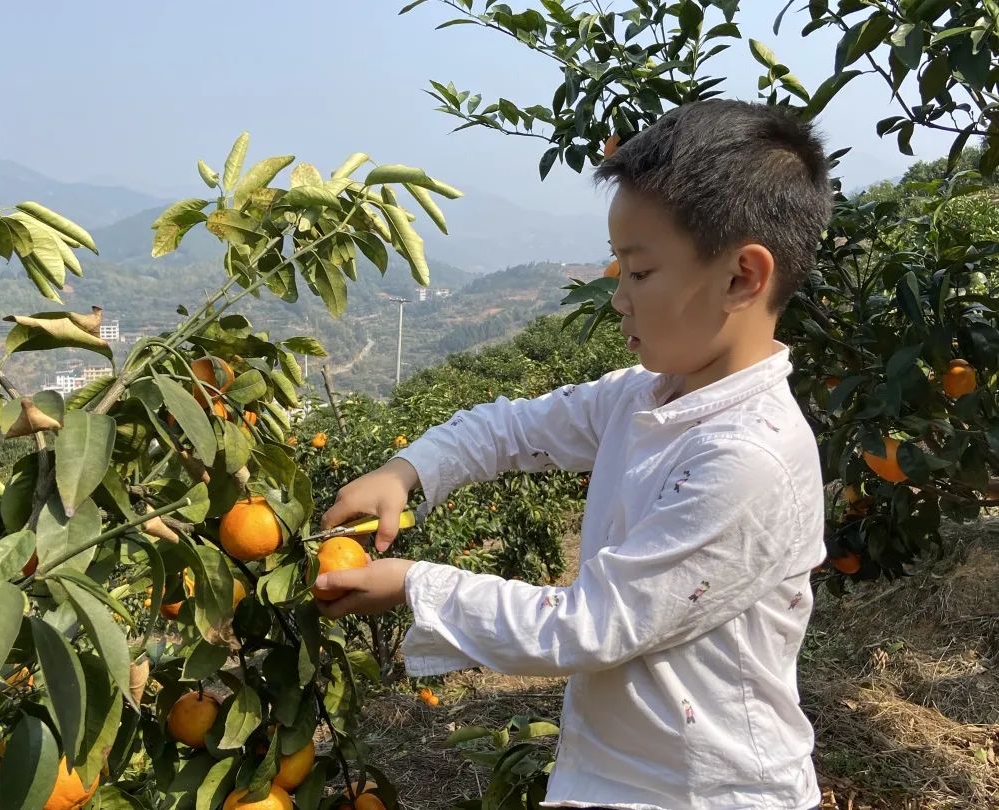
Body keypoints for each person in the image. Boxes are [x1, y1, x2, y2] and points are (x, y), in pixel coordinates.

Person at [312, 98, 832, 810]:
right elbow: (513, 428)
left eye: (639, 273)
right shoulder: (648, 394)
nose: (618, 298)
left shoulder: (750, 459)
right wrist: (407, 470)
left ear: (742, 277)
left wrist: (414, 585)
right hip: (620, 772)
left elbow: (589, 624)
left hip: (708, 793)